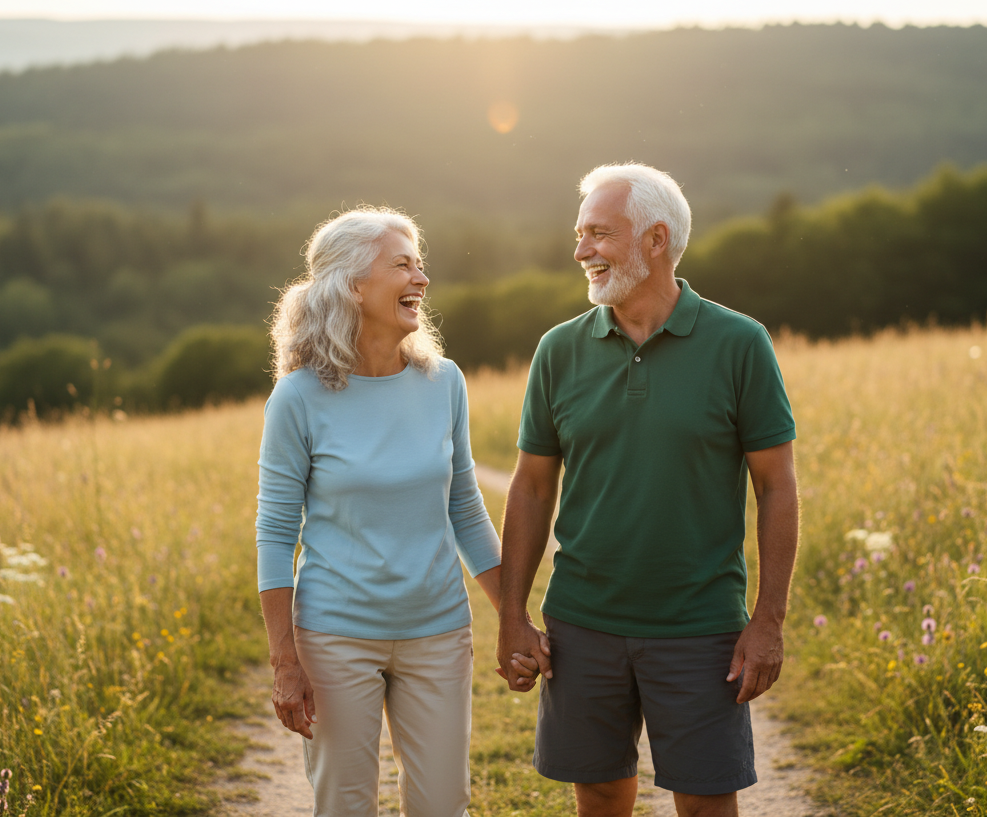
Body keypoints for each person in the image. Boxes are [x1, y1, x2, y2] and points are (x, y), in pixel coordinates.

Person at [496, 164, 800, 817]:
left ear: (656, 240)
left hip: (700, 628)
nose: (581, 252)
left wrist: (768, 619)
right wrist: (512, 613)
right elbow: (530, 487)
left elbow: (777, 486)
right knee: (602, 794)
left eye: (600, 234)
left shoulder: (740, 344)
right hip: (582, 624)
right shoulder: (558, 351)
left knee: (705, 801)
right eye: (580, 235)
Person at [255, 207, 537, 817]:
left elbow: (464, 508)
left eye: (421, 264)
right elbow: (276, 534)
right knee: (346, 805)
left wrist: (511, 617)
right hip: (335, 636)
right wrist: (285, 660)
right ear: (353, 286)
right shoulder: (298, 397)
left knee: (443, 804)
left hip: (437, 629)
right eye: (402, 265)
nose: (422, 278)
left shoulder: (444, 383)